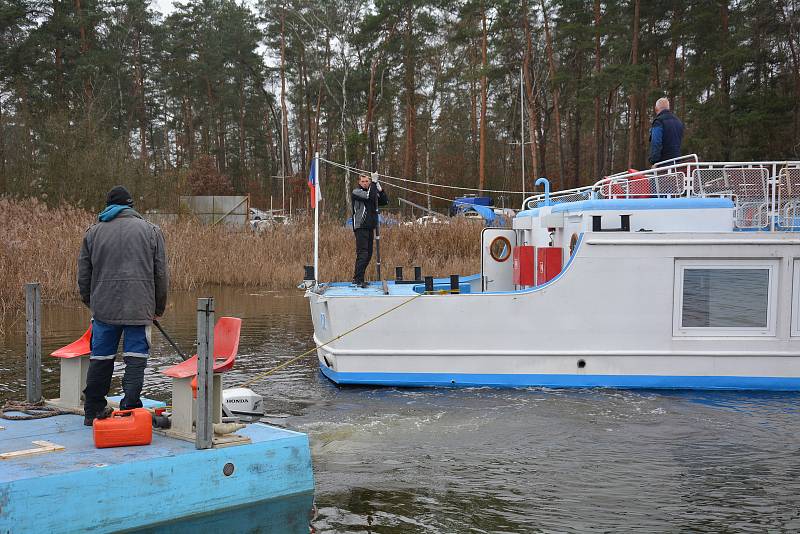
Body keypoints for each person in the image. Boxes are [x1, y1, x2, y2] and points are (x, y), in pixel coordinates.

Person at [78, 186, 169, 426]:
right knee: (135, 357)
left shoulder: (93, 233)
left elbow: (84, 276)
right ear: (131, 206)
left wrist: (92, 302)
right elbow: (161, 274)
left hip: (104, 308)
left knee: (101, 357)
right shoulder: (151, 231)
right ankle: (130, 407)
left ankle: (93, 410)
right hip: (139, 308)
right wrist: (158, 307)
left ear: (108, 206)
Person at [351, 173, 388, 287]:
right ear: (359, 182)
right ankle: (357, 279)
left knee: (369, 254)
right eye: (363, 181)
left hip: (370, 227)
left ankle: (360, 278)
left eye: (367, 181)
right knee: (363, 253)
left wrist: (379, 188)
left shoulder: (371, 191)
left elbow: (384, 201)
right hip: (361, 226)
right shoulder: (357, 192)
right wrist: (374, 183)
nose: (365, 183)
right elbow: (369, 196)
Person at [648, 97, 684, 166]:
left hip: (664, 164)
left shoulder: (658, 122)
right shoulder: (678, 121)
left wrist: (653, 161)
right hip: (677, 163)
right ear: (668, 108)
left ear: (656, 108)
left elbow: (656, 143)